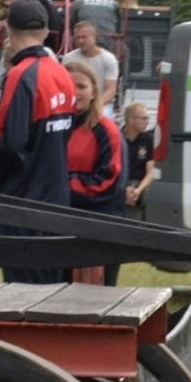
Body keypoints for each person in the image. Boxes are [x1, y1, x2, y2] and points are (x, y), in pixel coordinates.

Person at [0, 0, 75, 283]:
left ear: (8, 30)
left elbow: (11, 144)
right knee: (52, 291)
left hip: (24, 206)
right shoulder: (63, 74)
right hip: (57, 201)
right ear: (46, 32)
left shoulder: (20, 76)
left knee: (26, 296)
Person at [65, 59, 126, 285]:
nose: (76, 92)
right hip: (61, 225)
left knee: (98, 297)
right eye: (70, 86)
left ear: (93, 92)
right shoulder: (55, 126)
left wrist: (63, 184)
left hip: (101, 227)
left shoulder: (105, 129)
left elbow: (108, 181)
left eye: (81, 86)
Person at [62, 19, 117, 118]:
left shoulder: (109, 59)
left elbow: (110, 90)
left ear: (94, 35)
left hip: (101, 105)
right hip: (75, 103)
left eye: (84, 37)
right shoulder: (68, 58)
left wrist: (94, 106)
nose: (80, 41)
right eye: (77, 38)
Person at [122, 101, 155, 218]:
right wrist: (124, 189)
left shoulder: (148, 139)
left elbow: (151, 172)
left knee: (151, 196)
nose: (148, 122)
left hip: (141, 183)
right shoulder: (117, 138)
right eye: (144, 118)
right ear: (131, 120)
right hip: (122, 182)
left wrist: (138, 190)